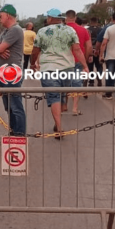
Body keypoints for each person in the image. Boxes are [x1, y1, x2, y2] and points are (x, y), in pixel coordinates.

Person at [31, 8, 88, 138]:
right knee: (61, 92)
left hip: (49, 69)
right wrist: (85, 66)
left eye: (48, 17)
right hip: (67, 68)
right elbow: (77, 49)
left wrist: (32, 63)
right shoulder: (70, 30)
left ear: (50, 18)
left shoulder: (42, 31)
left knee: (54, 97)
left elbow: (35, 50)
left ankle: (59, 127)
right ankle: (59, 120)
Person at [0, 4, 27, 135]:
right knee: (9, 107)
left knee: (15, 107)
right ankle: (13, 133)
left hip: (11, 74)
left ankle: (19, 135)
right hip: (4, 74)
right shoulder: (5, 32)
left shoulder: (15, 30)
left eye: (1, 15)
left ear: (8, 16)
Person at [64, 9, 92, 107]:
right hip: (78, 60)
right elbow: (89, 46)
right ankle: (75, 108)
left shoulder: (61, 30)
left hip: (64, 61)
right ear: (75, 18)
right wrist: (85, 59)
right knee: (77, 84)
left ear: (66, 18)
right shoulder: (83, 30)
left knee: (65, 84)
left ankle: (64, 105)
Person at [87, 17, 104, 87]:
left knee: (90, 67)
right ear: (97, 22)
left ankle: (91, 81)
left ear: (91, 22)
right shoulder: (101, 30)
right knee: (99, 66)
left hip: (90, 51)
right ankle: (99, 78)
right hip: (98, 50)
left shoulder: (88, 30)